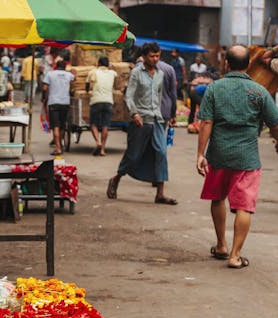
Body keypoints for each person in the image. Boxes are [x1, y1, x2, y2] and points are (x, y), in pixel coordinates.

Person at [196, 44, 278, 269]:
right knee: (244, 207)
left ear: (226, 63)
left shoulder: (214, 88)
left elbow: (206, 123)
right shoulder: (260, 91)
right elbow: (274, 124)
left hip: (218, 154)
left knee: (218, 198)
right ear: (249, 64)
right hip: (247, 158)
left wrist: (200, 154)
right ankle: (235, 255)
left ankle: (221, 245)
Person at [107, 43, 177, 205]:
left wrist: (168, 115)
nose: (155, 59)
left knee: (161, 153)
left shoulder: (160, 73)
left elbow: (160, 96)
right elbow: (129, 96)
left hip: (157, 119)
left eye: (157, 56)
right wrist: (134, 113)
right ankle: (116, 179)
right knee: (133, 155)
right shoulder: (137, 73)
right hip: (140, 120)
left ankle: (160, 193)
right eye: (152, 56)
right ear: (144, 56)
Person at [42, 59, 75, 156]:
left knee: (55, 126)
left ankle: (58, 148)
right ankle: (59, 144)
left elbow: (44, 88)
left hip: (54, 102)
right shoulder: (69, 75)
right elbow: (74, 81)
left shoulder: (50, 74)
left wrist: (43, 98)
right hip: (65, 102)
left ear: (56, 66)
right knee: (62, 126)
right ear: (65, 67)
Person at [87, 56, 117, 156]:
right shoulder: (113, 73)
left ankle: (98, 142)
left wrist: (87, 91)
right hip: (109, 101)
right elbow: (116, 84)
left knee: (93, 124)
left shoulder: (93, 72)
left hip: (96, 100)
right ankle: (103, 149)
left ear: (98, 63)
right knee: (105, 125)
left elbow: (87, 85)